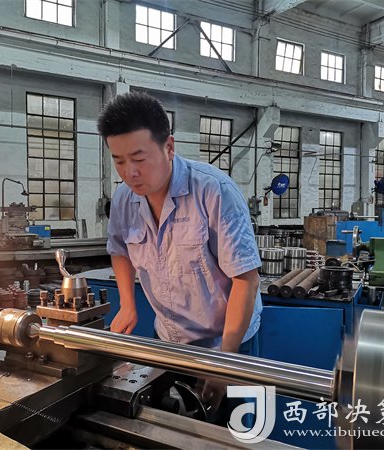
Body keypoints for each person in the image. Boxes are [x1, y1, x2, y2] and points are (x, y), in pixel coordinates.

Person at [97, 91, 262, 416]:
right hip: (168, 340)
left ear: (169, 147)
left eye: (139, 159)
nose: (130, 172)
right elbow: (119, 249)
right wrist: (128, 304)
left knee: (231, 431)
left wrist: (224, 363)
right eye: (119, 161)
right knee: (169, 424)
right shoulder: (124, 199)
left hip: (227, 341)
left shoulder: (214, 192)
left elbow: (247, 280)